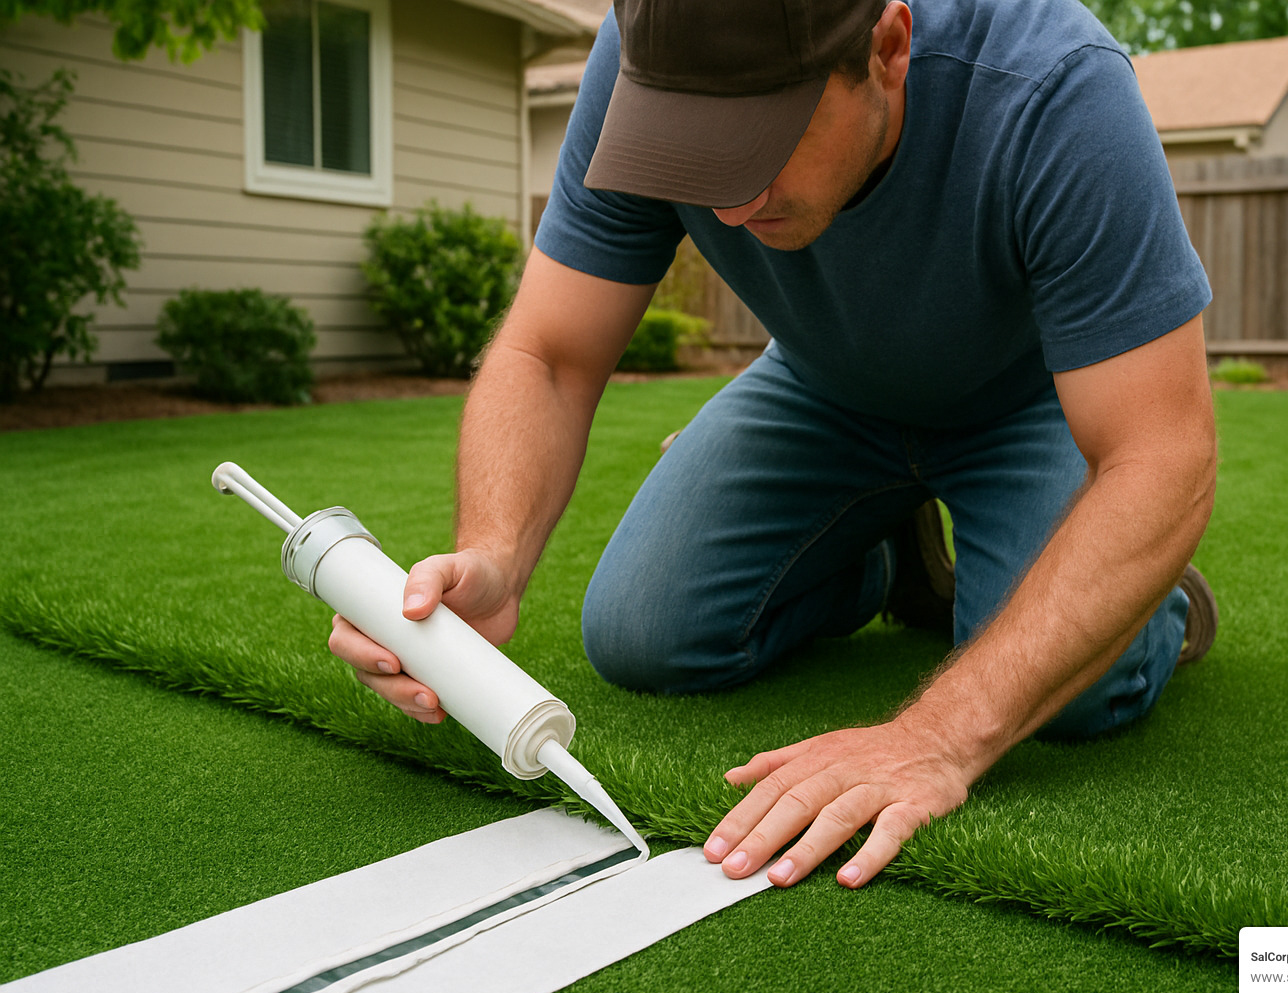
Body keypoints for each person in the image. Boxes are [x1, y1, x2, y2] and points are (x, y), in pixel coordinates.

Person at [329, 0, 1219, 892]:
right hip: (824, 388)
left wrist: (933, 737)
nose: (727, 199)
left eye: (758, 140)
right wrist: (493, 554)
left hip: (1037, 406)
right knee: (642, 634)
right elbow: (550, 354)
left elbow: (1160, 457)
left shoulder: (1055, 86)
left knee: (1076, 698)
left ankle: (1155, 599)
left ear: (888, 48)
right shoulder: (644, 58)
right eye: (693, 144)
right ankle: (876, 558)